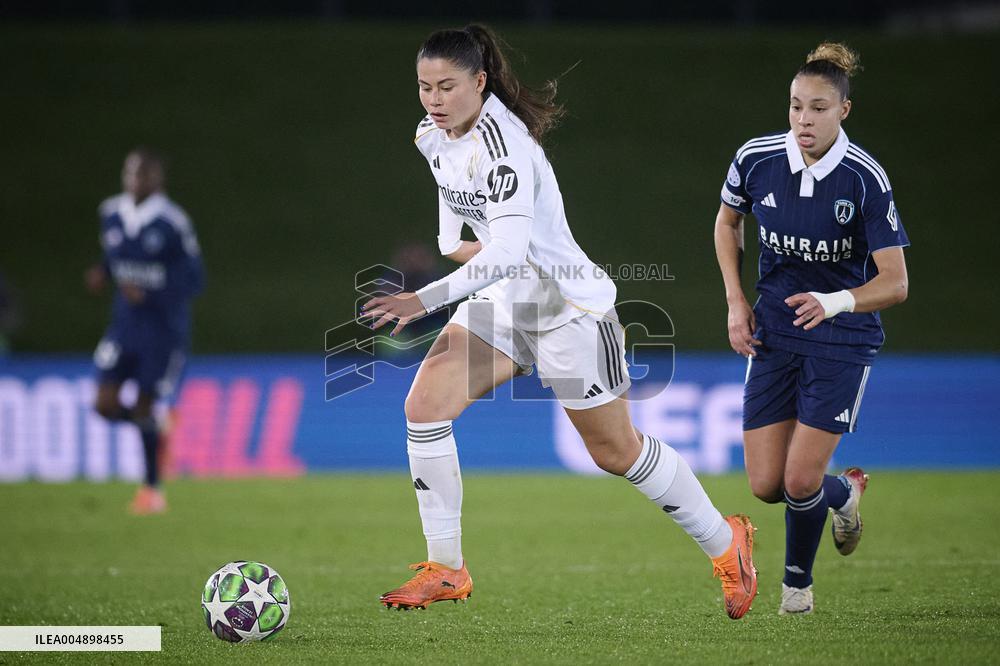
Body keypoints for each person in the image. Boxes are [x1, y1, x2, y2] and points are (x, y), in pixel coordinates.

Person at [363, 24, 758, 619]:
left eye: (447, 87)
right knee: (423, 408)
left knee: (616, 452)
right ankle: (446, 567)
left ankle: (728, 545)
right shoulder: (431, 134)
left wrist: (425, 298)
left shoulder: (506, 146)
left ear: (480, 81)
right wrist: (452, 244)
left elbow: (506, 251)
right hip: (506, 301)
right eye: (424, 87)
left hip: (567, 309)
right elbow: (456, 208)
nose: (434, 100)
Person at [713, 43, 909, 614]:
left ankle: (795, 590)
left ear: (843, 110)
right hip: (775, 333)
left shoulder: (864, 178)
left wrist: (836, 301)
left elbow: (896, 283)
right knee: (765, 485)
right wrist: (735, 301)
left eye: (818, 108)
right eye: (796, 105)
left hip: (842, 339)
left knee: (800, 481)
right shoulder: (756, 159)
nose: (804, 119)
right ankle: (844, 492)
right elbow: (727, 221)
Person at [85, 148, 204, 514]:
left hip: (162, 332)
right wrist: (103, 272)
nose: (135, 180)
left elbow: (195, 279)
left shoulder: (172, 222)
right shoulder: (111, 212)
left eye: (143, 174)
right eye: (131, 173)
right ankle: (155, 428)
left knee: (143, 406)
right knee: (103, 404)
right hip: (124, 327)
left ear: (157, 179)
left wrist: (151, 293)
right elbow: (116, 256)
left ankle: (152, 490)